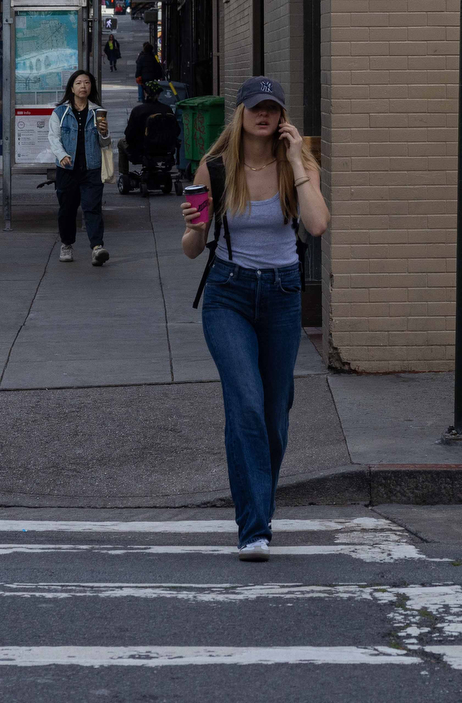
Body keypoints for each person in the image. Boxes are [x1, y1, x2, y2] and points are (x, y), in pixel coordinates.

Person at [179, 77, 327, 561]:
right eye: (256, 108)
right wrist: (194, 226)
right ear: (240, 113)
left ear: (281, 116)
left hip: (283, 296)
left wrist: (296, 161)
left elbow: (318, 224)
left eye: (272, 108)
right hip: (229, 295)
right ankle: (254, 528)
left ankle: (259, 507)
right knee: (246, 402)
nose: (264, 115)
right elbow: (191, 248)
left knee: (274, 416)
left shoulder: (297, 166)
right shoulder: (215, 167)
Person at [47, 68, 112, 265]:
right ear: (72, 88)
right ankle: (66, 244)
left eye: (87, 83)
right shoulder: (60, 112)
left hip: (92, 168)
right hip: (67, 169)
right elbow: (53, 138)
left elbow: (106, 143)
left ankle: (97, 248)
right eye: (79, 83)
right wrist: (62, 155)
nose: (83, 86)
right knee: (67, 209)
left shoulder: (97, 111)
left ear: (91, 87)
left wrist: (104, 133)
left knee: (92, 208)